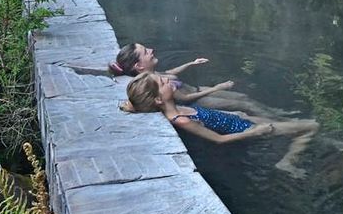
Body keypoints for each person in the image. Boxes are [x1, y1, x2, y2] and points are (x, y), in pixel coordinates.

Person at [127, 71, 319, 178]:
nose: (168, 81)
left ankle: (333, 143)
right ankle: (287, 162)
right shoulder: (181, 120)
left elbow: (208, 116)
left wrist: (234, 113)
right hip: (245, 129)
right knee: (310, 126)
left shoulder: (177, 108)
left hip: (241, 120)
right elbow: (219, 139)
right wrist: (255, 132)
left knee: (294, 125)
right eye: (163, 83)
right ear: (159, 99)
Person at [109, 42, 294, 117]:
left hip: (199, 89)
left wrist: (191, 63)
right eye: (145, 52)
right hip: (201, 99)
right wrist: (217, 87)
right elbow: (184, 99)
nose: (151, 50)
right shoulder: (151, 82)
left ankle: (274, 112)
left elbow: (172, 72)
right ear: (139, 66)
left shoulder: (154, 73)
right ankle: (279, 118)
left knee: (244, 98)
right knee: (244, 104)